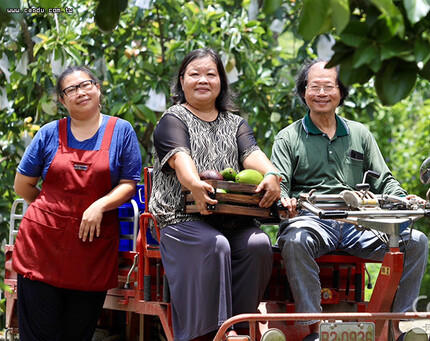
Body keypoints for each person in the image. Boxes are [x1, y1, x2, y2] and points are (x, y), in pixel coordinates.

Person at [271, 59, 429, 341]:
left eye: (328, 86)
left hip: (360, 223)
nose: (321, 93)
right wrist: (285, 201)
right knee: (294, 241)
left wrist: (404, 199)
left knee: (416, 242)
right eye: (314, 86)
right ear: (303, 91)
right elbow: (278, 182)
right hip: (312, 221)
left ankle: (396, 326)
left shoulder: (360, 134)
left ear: (341, 93)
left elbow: (384, 181)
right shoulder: (288, 137)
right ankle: (315, 328)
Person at [149, 48, 281, 341]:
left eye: (211, 74)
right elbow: (180, 159)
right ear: (182, 80)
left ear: (221, 81)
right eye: (194, 74)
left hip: (231, 218)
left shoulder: (235, 123)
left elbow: (252, 155)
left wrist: (271, 174)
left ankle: (243, 326)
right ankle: (218, 332)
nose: (203, 80)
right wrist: (193, 183)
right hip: (180, 219)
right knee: (215, 244)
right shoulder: (173, 119)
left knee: (259, 243)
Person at [12, 66, 142, 341]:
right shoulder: (49, 133)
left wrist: (98, 206)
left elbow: (130, 184)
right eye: (70, 90)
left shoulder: (121, 131)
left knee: (77, 334)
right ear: (61, 100)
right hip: (41, 250)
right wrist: (54, 212)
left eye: (86, 84)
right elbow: (22, 185)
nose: (80, 92)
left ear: (98, 88)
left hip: (91, 252)